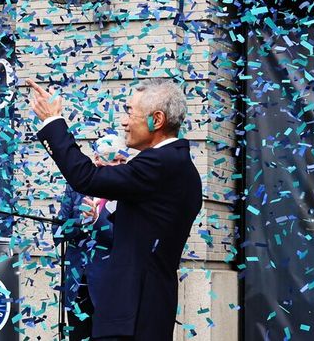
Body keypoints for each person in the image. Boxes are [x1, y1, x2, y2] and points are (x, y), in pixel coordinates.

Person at [27, 78, 202, 341]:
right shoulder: (176, 163)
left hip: (133, 314)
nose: (123, 121)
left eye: (130, 112)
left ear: (157, 119)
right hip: (142, 309)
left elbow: (87, 178)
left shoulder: (161, 163)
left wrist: (54, 121)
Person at [55, 134, 129, 341]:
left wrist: (98, 221)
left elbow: (127, 239)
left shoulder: (128, 192)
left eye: (123, 160)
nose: (120, 166)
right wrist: (83, 223)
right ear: (98, 159)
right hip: (77, 283)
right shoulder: (76, 188)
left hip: (110, 286)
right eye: (115, 160)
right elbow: (59, 231)